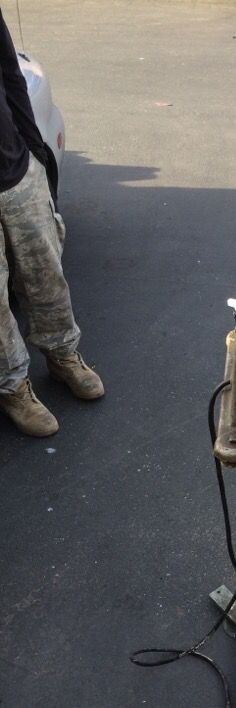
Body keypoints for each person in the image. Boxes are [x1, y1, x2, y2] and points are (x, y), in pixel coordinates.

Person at [0, 9, 103, 437]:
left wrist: (35, 154)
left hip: (14, 168)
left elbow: (10, 72)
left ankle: (63, 356)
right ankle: (12, 387)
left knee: (46, 271)